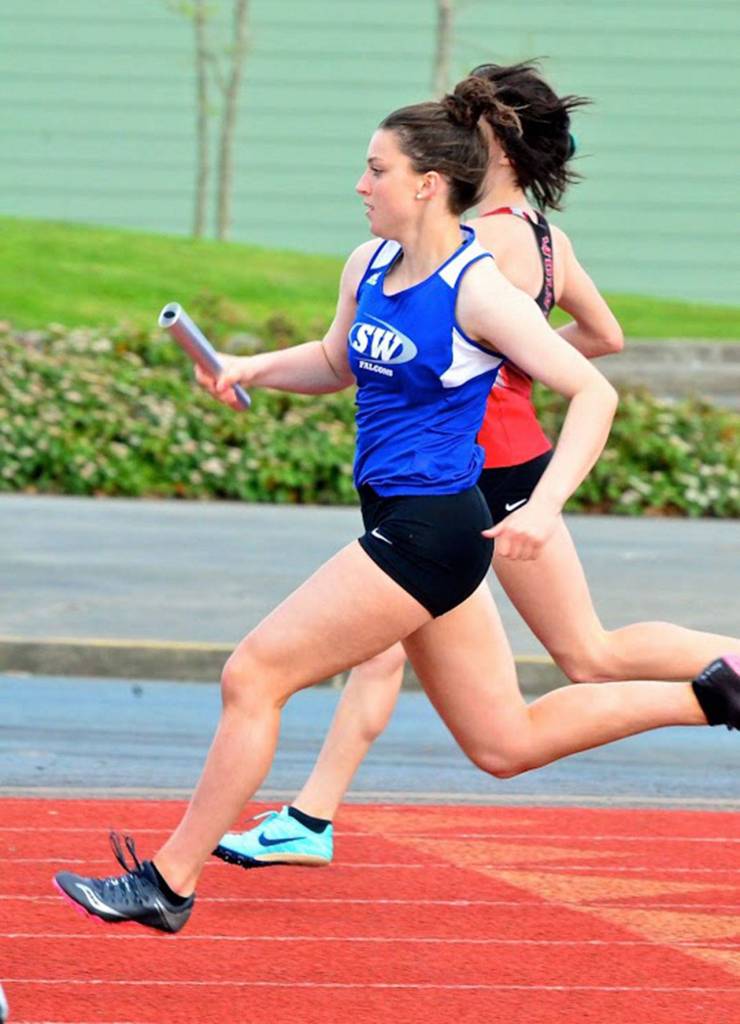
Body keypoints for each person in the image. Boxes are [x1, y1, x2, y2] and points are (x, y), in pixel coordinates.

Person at [53, 77, 739, 933]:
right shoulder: (368, 264)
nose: (360, 185)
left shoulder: (478, 288)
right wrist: (248, 368)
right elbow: (336, 359)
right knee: (504, 744)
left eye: (376, 170)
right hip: (404, 522)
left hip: (431, 531)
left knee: (253, 675)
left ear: (427, 185)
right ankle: (716, 696)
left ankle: (169, 881)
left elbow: (594, 390)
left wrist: (542, 505)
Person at [213, 61, 740, 870]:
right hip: (501, 460)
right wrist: (510, 360)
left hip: (473, 472)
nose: (452, 137)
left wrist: (488, 366)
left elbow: (583, 369)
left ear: (496, 150)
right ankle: (312, 814)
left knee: (533, 655)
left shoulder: (474, 245)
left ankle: (310, 817)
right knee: (558, 657)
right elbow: (605, 336)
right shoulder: (545, 238)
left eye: (469, 127)